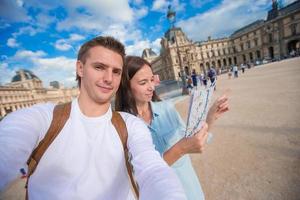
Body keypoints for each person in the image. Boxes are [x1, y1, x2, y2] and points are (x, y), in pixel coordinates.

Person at [0, 36, 186, 200]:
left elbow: (153, 170)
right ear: (80, 68)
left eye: (116, 71)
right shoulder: (41, 119)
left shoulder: (130, 124)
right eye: (99, 67)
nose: (108, 78)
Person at [115, 56, 229, 200]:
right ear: (125, 87)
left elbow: (194, 139)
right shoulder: (121, 126)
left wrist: (211, 116)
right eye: (143, 82)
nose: (151, 87)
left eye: (152, 80)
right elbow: (138, 177)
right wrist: (180, 149)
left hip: (192, 192)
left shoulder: (167, 108)